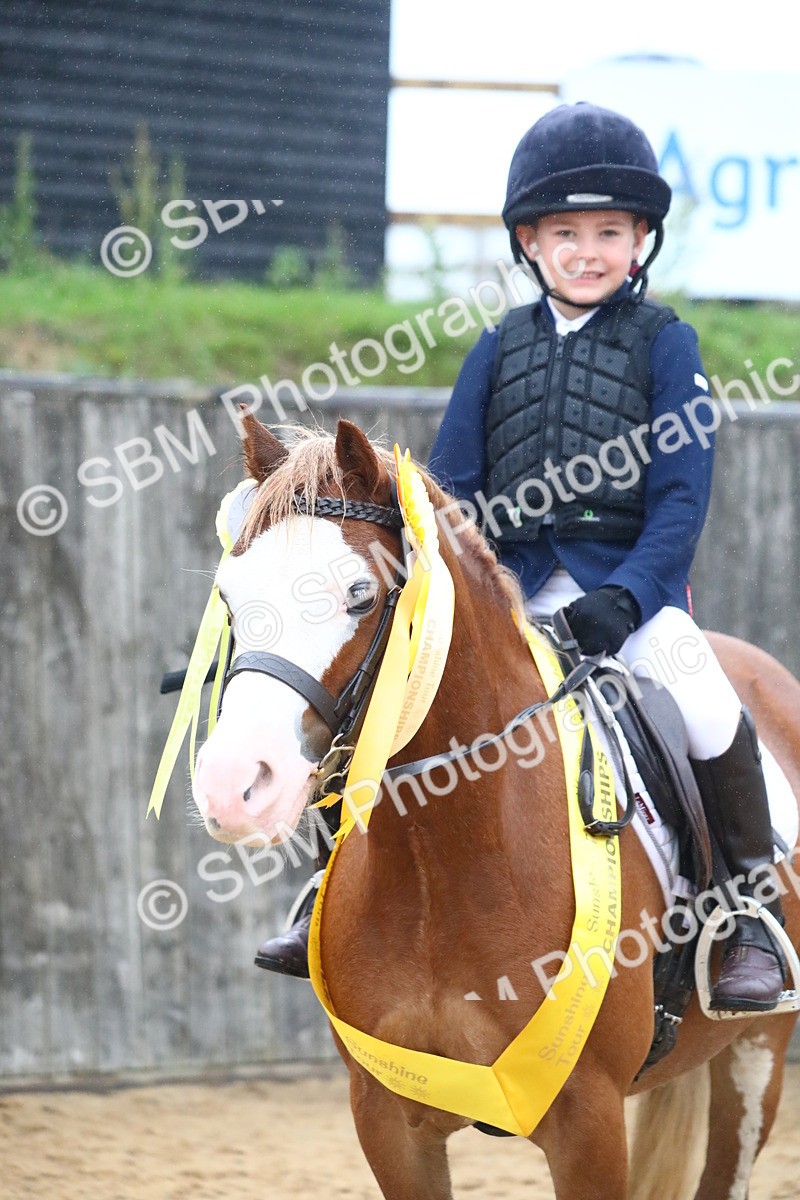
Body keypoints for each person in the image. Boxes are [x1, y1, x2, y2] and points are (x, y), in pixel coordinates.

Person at [257, 102, 787, 1012]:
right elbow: (450, 488)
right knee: (378, 689)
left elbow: (679, 502)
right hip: (505, 598)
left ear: (641, 240)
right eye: (566, 232)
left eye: (609, 232)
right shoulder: (497, 349)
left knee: (702, 698)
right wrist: (454, 588)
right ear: (530, 244)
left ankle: (746, 914)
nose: (588, 250)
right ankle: (327, 888)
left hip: (631, 597)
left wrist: (626, 598)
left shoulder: (669, 345)